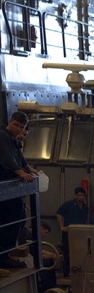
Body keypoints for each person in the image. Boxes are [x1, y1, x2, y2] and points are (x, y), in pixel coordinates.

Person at [0, 111, 38, 269]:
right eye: (16, 125)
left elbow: (19, 158)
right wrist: (21, 172)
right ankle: (3, 256)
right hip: (6, 188)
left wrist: (29, 169)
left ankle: (6, 253)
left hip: (13, 190)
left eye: (21, 127)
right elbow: (6, 158)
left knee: (20, 218)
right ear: (10, 122)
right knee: (9, 221)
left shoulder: (13, 139)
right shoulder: (2, 136)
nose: (18, 129)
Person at [56, 187, 90, 275]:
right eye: (79, 195)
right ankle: (66, 272)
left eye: (83, 195)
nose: (81, 197)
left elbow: (85, 219)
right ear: (76, 195)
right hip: (69, 231)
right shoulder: (69, 204)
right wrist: (62, 226)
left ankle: (77, 271)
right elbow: (59, 214)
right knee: (67, 251)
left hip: (80, 232)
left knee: (79, 252)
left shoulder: (85, 207)